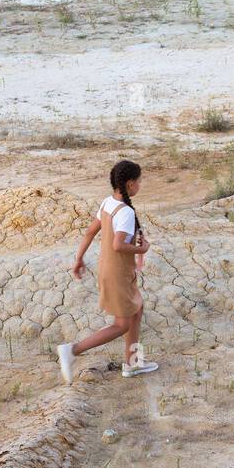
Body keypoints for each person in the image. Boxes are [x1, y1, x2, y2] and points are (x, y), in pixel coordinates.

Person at [56, 160, 158, 383]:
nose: (141, 185)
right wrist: (143, 248)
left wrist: (79, 258)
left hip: (112, 270)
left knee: (137, 309)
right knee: (121, 325)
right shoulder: (125, 212)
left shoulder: (108, 203)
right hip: (118, 274)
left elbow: (89, 232)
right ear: (130, 184)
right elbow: (119, 245)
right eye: (139, 182)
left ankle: (133, 363)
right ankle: (72, 350)